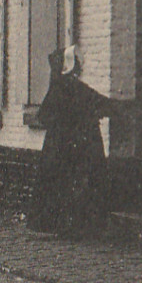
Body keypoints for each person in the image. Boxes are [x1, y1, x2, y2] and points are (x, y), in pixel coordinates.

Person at [28, 46, 121, 239]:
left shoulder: (56, 88)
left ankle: (61, 225)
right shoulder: (77, 89)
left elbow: (43, 116)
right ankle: (79, 226)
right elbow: (101, 104)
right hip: (79, 146)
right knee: (78, 182)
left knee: (60, 183)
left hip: (58, 147)